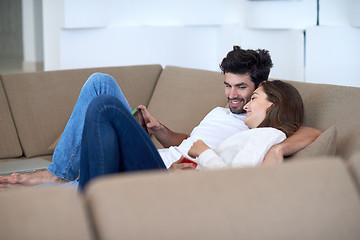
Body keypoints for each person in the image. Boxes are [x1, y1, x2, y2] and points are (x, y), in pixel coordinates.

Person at [0, 46, 321, 186]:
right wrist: (159, 129)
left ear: (260, 87)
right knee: (101, 85)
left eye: (241, 88)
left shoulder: (258, 126)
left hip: (163, 169)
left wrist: (279, 149)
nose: (233, 95)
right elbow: (190, 140)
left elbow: (306, 129)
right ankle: (65, 173)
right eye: (227, 85)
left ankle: (60, 174)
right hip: (162, 152)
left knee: (102, 91)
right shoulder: (224, 112)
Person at [79, 79, 304, 189]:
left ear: (273, 105)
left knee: (104, 104)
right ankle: (94, 205)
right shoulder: (255, 134)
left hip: (164, 180)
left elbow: (236, 183)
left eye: (253, 98)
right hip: (168, 172)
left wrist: (203, 151)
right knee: (102, 104)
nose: (245, 105)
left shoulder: (268, 136)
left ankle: (94, 203)